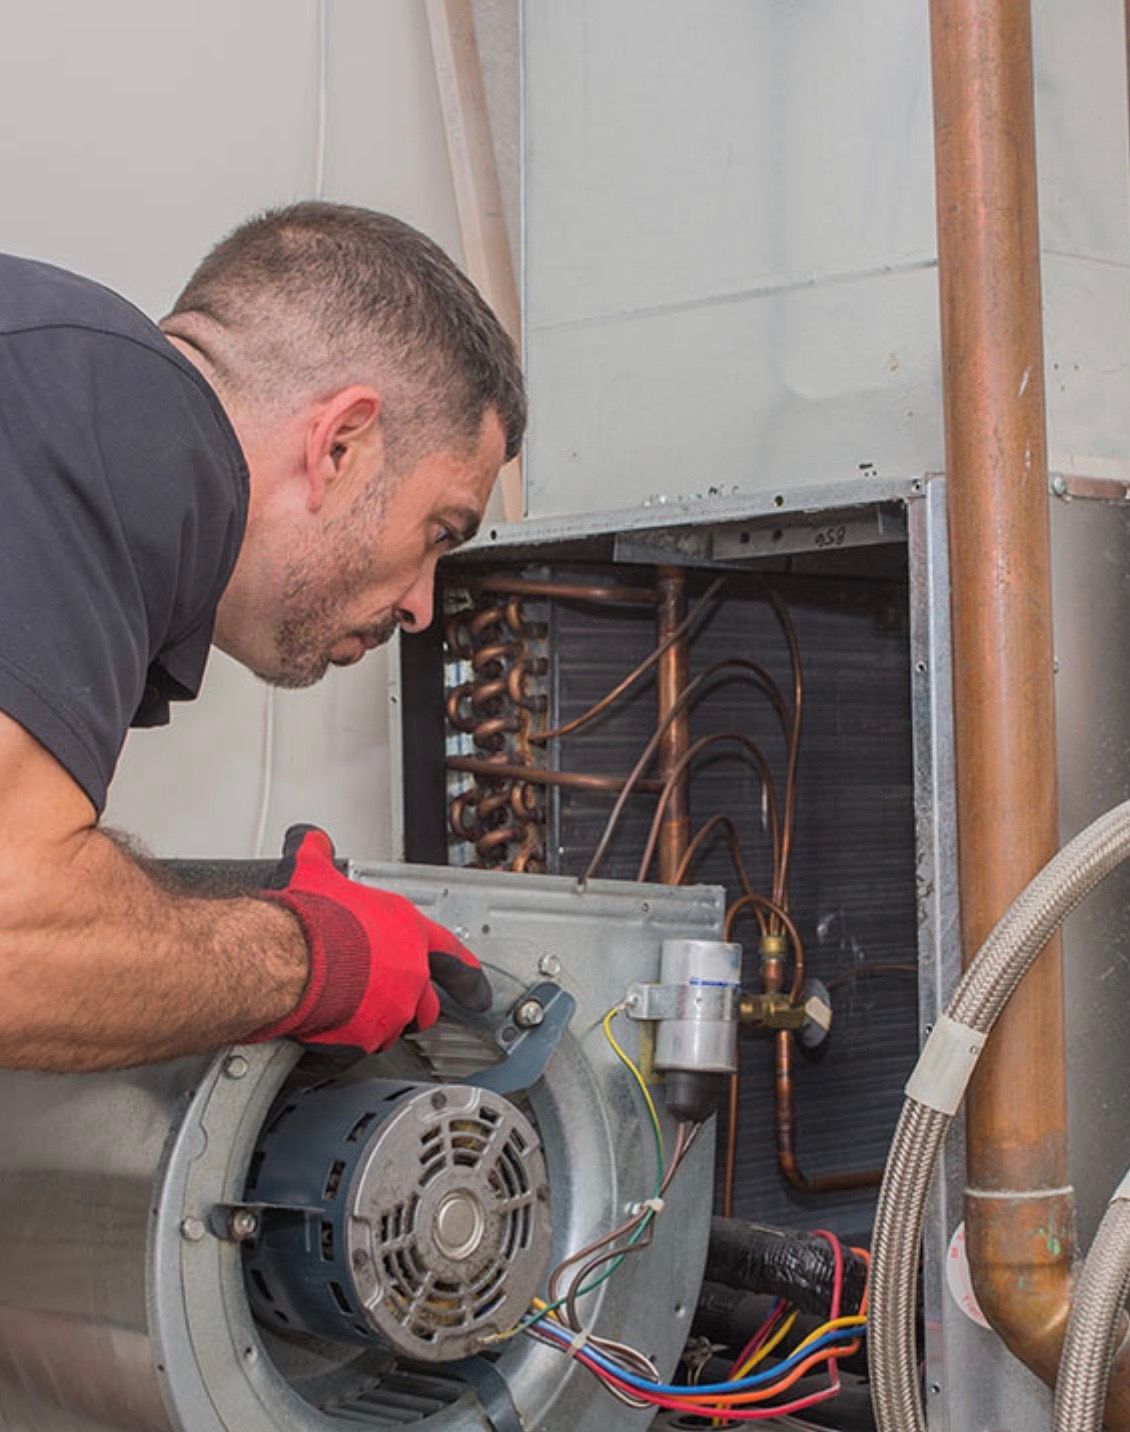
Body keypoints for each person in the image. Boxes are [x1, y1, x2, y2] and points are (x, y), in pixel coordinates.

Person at [0, 201, 526, 1072]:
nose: (423, 607)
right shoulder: (108, 413)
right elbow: (13, 934)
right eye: (440, 531)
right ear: (341, 445)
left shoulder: (54, 384)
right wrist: (316, 960)